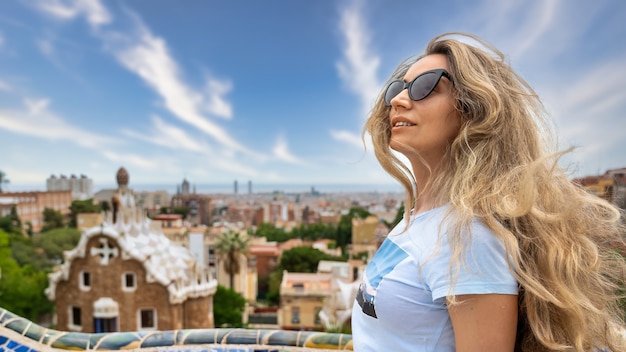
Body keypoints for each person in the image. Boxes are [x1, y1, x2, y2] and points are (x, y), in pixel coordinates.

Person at [352, 32, 626, 352]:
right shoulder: (418, 220)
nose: (398, 100)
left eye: (426, 87)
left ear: (473, 110)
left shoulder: (468, 237)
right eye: (396, 89)